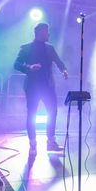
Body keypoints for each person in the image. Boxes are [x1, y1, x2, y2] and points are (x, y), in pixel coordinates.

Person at [14, 23, 68, 154]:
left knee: (52, 112)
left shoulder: (50, 48)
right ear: (39, 33)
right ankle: (33, 143)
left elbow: (58, 61)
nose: (48, 34)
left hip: (48, 86)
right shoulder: (26, 48)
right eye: (46, 31)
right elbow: (16, 64)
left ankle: (51, 141)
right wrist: (29, 67)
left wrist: (64, 70)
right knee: (32, 114)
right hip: (32, 87)